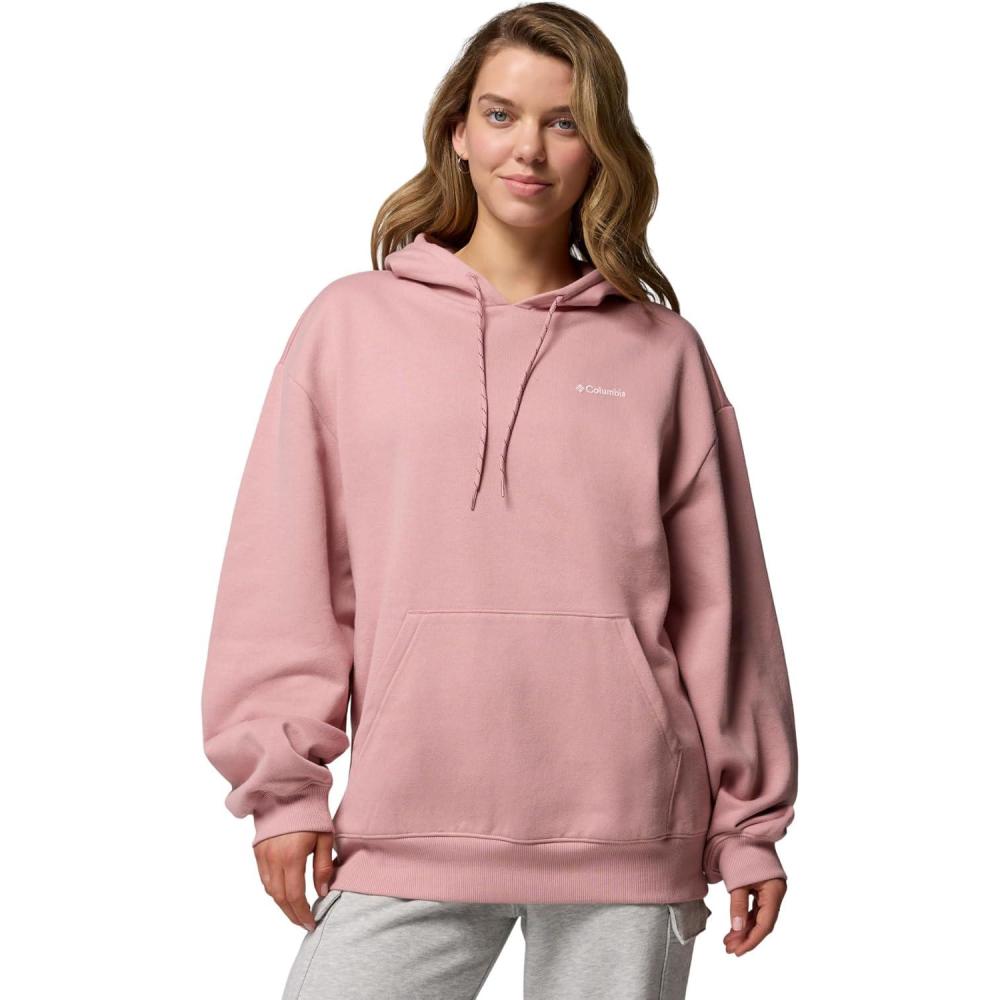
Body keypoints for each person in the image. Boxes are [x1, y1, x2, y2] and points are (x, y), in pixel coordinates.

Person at [200, 4, 799, 997]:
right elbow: (286, 578)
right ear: (457, 133)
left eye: (565, 122)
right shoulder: (349, 326)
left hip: (629, 833)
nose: (529, 148)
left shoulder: (661, 353)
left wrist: (747, 824)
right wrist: (283, 786)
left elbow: (722, 611)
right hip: (407, 819)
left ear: (601, 147)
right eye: (501, 114)